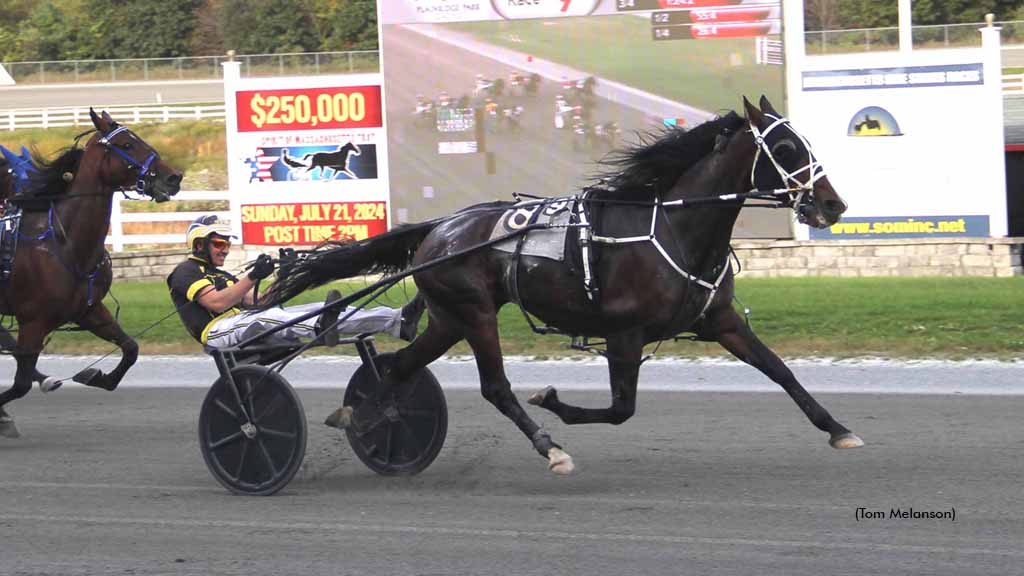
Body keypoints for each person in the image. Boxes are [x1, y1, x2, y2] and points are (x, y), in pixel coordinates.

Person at [167, 215, 425, 350]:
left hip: (239, 324)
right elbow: (216, 301)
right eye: (220, 243)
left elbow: (260, 302)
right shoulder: (185, 271)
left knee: (315, 309)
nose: (225, 249)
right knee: (263, 319)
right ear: (199, 244)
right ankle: (320, 326)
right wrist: (253, 276)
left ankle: (396, 321)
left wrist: (283, 275)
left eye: (228, 244)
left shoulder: (223, 276)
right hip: (216, 332)